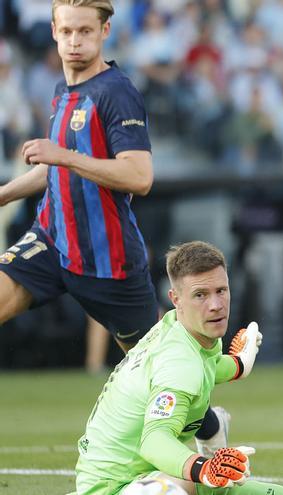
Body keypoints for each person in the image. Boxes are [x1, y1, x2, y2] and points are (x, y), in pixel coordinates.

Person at [0, 0, 226, 455]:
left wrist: (60, 154)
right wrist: (3, 194)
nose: (74, 42)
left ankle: (209, 424)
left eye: (85, 31)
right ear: (53, 31)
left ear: (105, 30)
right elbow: (56, 170)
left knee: (156, 376)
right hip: (51, 239)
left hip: (108, 260)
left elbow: (138, 176)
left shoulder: (115, 92)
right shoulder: (64, 92)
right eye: (66, 32)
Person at [74, 241, 283, 495]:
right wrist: (205, 468)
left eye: (221, 291)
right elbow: (154, 442)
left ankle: (211, 436)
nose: (215, 304)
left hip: (149, 477)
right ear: (176, 299)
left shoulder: (181, 329)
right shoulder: (180, 364)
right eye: (200, 295)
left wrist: (239, 364)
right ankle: (211, 438)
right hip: (118, 488)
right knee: (169, 490)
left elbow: (209, 365)